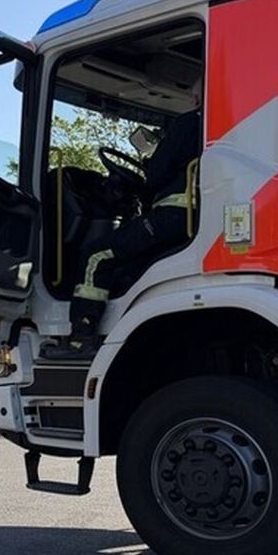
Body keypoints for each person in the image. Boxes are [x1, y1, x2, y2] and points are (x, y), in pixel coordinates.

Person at [44, 78, 203, 359]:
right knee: (127, 260)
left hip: (171, 217)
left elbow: (157, 175)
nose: (191, 100)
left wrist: (149, 167)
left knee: (96, 255)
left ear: (197, 98)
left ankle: (81, 338)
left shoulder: (189, 123)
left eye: (193, 95)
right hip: (189, 219)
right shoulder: (215, 128)